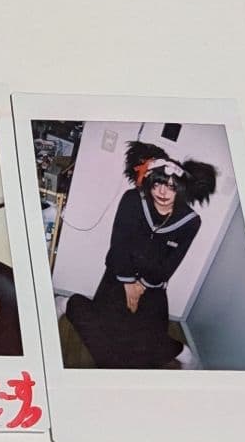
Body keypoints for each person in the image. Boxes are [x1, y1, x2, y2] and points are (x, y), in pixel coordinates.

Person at [58, 141, 217, 369]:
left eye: (171, 187)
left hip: (152, 286)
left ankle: (182, 351)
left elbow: (171, 263)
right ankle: (69, 303)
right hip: (118, 276)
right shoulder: (133, 199)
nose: (162, 192)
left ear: (182, 189)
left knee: (147, 345)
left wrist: (142, 285)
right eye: (158, 184)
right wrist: (128, 283)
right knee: (107, 347)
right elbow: (118, 247)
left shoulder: (190, 221)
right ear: (149, 181)